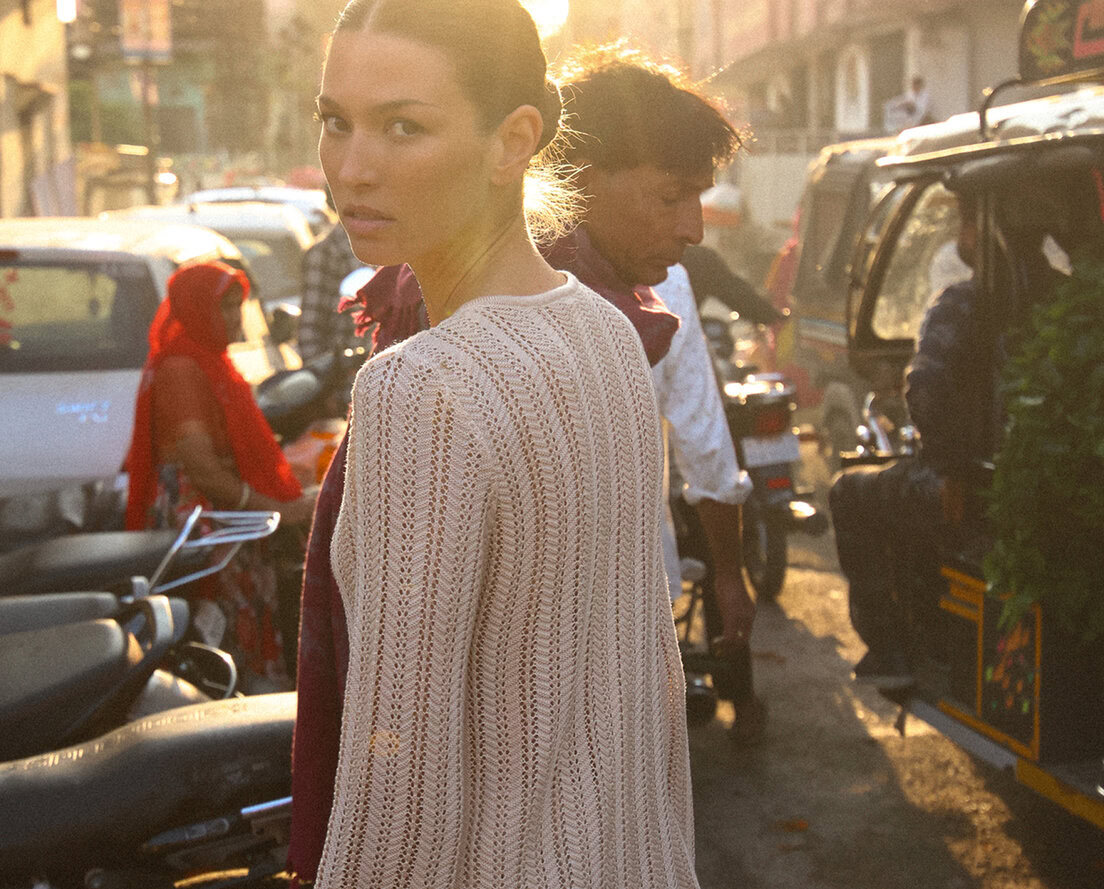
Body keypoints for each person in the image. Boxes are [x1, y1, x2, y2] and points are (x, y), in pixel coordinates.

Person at [298, 1, 701, 886]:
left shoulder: (420, 386)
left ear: (513, 140)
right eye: (335, 121)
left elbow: (397, 793)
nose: (352, 168)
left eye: (403, 126)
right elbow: (650, 690)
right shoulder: (608, 333)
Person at [545, 47, 763, 742]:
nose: (692, 228)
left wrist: (728, 573)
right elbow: (703, 437)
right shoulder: (486, 301)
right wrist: (725, 575)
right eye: (671, 198)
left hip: (630, 610)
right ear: (581, 182)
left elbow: (704, 434)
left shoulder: (660, 290)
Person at [124, 260, 316, 686]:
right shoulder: (182, 368)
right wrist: (281, 510)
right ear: (197, 310)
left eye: (236, 306)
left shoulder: (213, 361)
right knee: (223, 632)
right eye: (224, 308)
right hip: (205, 520)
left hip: (228, 512)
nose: (235, 318)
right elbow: (205, 472)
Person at [829, 196, 990, 688]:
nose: (960, 234)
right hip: (1024, 483)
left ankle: (890, 648)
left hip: (975, 487)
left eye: (966, 222)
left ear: (980, 231)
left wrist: (951, 470)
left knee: (848, 492)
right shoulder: (1062, 297)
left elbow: (925, 388)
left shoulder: (963, 302)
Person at [297, 196, 370, 362]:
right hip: (346, 367)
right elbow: (310, 327)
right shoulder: (327, 251)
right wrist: (324, 371)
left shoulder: (390, 246)